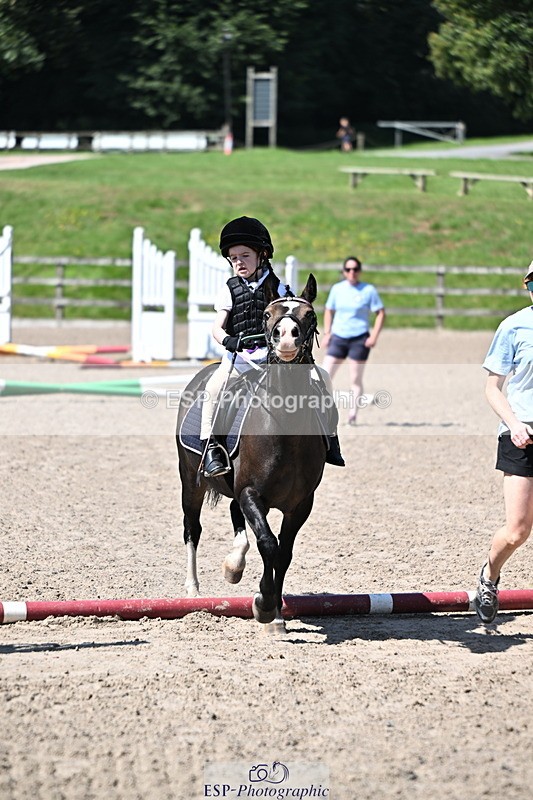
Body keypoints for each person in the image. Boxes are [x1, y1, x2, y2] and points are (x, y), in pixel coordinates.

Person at [200, 216, 345, 477]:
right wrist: (228, 340)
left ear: (262, 255)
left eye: (245, 255)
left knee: (323, 378)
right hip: (240, 359)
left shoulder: (280, 288)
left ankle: (330, 438)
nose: (238, 262)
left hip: (273, 358)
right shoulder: (229, 290)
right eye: (233, 258)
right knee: (213, 388)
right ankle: (211, 447)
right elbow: (216, 328)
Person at [474, 260, 533, 624]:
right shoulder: (514, 326)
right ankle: (489, 575)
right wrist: (513, 424)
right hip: (522, 433)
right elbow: (492, 388)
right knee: (517, 530)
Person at [321, 256, 386, 425]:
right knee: (324, 375)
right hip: (339, 337)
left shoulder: (368, 290)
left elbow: (380, 313)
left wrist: (374, 336)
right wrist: (327, 333)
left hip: (359, 339)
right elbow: (329, 310)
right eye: (348, 269)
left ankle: (352, 414)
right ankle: (321, 410)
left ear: (359, 271)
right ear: (343, 272)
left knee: (355, 378)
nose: (352, 273)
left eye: (355, 269)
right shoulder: (337, 289)